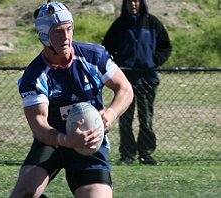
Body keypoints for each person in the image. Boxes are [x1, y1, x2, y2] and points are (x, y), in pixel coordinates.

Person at [10, 1, 133, 197]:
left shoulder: (93, 56)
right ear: (44, 35)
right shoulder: (34, 77)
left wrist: (109, 115)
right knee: (23, 194)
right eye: (58, 31)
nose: (66, 37)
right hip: (54, 140)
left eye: (69, 29)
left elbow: (125, 89)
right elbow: (39, 124)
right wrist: (66, 139)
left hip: (90, 139)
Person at [102, 0, 172, 165]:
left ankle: (146, 154)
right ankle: (127, 155)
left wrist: (153, 60)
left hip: (147, 79)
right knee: (125, 120)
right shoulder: (119, 25)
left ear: (141, 3)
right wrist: (116, 66)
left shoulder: (152, 23)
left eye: (136, 1)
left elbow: (166, 46)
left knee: (146, 119)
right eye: (130, 1)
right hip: (125, 82)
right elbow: (106, 49)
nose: (133, 4)